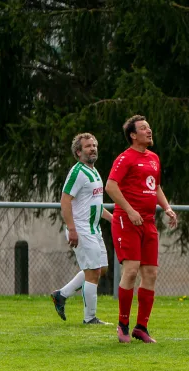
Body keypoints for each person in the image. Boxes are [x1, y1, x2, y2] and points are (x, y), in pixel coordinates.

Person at [105, 115, 178, 344]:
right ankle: (123, 325)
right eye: (144, 128)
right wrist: (129, 210)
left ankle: (141, 327)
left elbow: (154, 186)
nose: (149, 131)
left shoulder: (154, 158)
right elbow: (110, 186)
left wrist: (166, 208)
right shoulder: (125, 158)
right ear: (133, 135)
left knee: (151, 274)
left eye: (149, 127)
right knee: (131, 271)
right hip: (127, 221)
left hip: (148, 222)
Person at [51, 133, 113, 325]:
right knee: (92, 271)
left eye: (94, 145)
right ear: (78, 152)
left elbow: (95, 204)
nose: (93, 148)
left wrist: (113, 219)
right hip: (81, 228)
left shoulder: (94, 171)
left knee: (101, 269)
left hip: (94, 228)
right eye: (87, 146)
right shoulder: (77, 172)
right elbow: (65, 200)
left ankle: (61, 295)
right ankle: (90, 318)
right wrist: (72, 229)